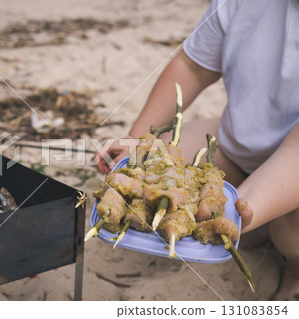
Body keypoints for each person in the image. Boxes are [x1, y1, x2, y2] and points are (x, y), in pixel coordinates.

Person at [95, 0, 299, 300]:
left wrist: (237, 209)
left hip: (292, 162)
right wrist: (136, 137)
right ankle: (258, 232)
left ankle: (294, 269)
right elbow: (193, 66)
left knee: (289, 233)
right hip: (236, 141)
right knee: (155, 160)